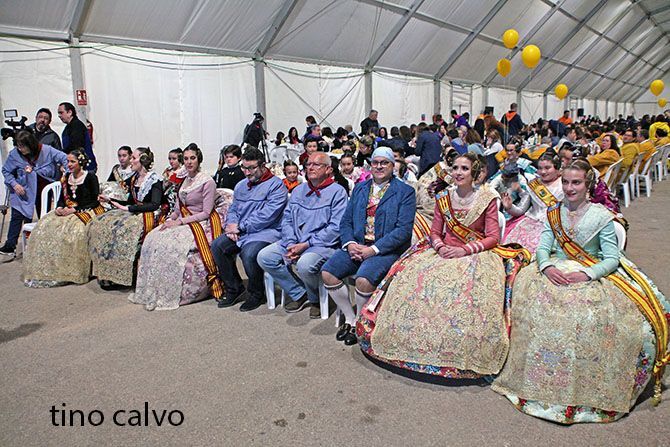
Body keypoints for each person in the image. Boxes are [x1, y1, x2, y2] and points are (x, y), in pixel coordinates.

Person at [492, 159, 669, 424]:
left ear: (588, 185)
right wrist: (547, 266)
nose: (569, 188)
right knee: (529, 304)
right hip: (554, 268)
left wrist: (588, 274)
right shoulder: (554, 212)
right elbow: (543, 247)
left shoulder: (602, 216)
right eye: (566, 182)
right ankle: (538, 380)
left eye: (576, 183)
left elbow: (612, 258)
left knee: (593, 316)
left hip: (591, 270)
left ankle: (585, 388)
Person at [358, 152, 530, 377]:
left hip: (475, 255)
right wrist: (440, 247)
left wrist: (463, 250)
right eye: (455, 168)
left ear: (474, 172)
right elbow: (435, 232)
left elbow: (492, 238)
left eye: (464, 168)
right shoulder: (444, 197)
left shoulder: (487, 198)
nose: (458, 172)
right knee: (414, 283)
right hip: (442, 252)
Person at [322, 147, 416, 346]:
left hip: (385, 250)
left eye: (384, 163)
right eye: (375, 162)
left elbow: (403, 230)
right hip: (357, 245)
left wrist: (372, 250)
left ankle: (360, 320)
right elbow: (346, 221)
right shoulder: (360, 188)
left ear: (393, 166)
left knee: (363, 280)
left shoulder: (405, 192)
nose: (379, 166)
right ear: (370, 165)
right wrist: (350, 244)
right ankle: (350, 318)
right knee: (328, 273)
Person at [128, 144, 232, 310]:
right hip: (182, 219)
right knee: (153, 238)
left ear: (199, 160)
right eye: (186, 159)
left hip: (199, 222)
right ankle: (155, 290)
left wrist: (180, 222)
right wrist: (170, 220)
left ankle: (175, 292)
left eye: (193, 158)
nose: (189, 162)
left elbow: (206, 212)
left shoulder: (207, 181)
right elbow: (177, 209)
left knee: (171, 245)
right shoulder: (183, 181)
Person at [258, 152, 347, 318]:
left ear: (328, 169)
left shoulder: (338, 192)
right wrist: (291, 242)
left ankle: (314, 299)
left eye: (316, 164)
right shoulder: (299, 190)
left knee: (305, 265)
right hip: (295, 240)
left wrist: (306, 245)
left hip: (321, 244)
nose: (310, 167)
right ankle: (299, 292)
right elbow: (286, 219)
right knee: (265, 257)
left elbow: (336, 228)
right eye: (308, 164)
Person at [212, 148, 288, 312]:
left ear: (262, 165)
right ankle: (234, 288)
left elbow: (267, 216)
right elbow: (233, 209)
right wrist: (231, 226)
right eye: (244, 168)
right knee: (217, 246)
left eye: (252, 168)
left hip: (267, 232)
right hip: (242, 231)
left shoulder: (276, 186)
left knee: (249, 253)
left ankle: (256, 293)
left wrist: (240, 227)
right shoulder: (241, 186)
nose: (247, 172)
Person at [23, 150, 103, 287]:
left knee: (75, 231)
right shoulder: (66, 177)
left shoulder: (90, 177)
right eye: (68, 161)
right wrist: (59, 207)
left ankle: (71, 270)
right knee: (45, 225)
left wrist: (75, 209)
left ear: (81, 162)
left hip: (86, 210)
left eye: (72, 161)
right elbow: (61, 198)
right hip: (67, 210)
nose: (69, 164)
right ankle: (50, 268)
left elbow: (94, 201)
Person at [89, 147, 163, 289]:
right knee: (103, 223)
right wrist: (110, 200)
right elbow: (129, 199)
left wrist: (129, 208)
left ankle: (123, 274)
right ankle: (108, 272)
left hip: (149, 213)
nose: (131, 161)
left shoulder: (154, 179)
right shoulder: (134, 178)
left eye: (133, 158)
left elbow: (154, 204)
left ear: (142, 160)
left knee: (123, 229)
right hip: (135, 211)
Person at [0, 130, 68, 261]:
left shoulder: (46, 150)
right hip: (24, 189)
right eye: (18, 146)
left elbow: (65, 158)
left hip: (43, 188)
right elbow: (6, 171)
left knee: (45, 217)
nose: (20, 149)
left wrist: (66, 173)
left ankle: (42, 244)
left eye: (22, 146)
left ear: (30, 144)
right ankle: (10, 245)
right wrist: (15, 184)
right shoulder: (15, 154)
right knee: (17, 215)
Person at [502, 151, 563, 253]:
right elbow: (521, 210)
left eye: (547, 168)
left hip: (554, 226)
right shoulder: (533, 184)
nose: (543, 172)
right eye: (540, 168)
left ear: (557, 168)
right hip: (529, 222)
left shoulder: (565, 185)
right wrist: (509, 207)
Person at [57, 102, 97, 172]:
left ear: (69, 112)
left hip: (84, 167)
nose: (59, 116)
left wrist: (61, 154)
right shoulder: (69, 127)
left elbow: (76, 146)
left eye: (61, 113)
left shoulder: (76, 126)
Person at [162, 148, 186, 217]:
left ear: (180, 159)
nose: (171, 161)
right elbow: (163, 187)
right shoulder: (168, 170)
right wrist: (167, 182)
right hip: (167, 198)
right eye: (169, 159)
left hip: (179, 197)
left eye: (174, 159)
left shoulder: (183, 171)